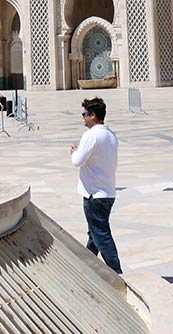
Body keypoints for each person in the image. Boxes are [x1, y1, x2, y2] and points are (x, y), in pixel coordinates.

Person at [69, 96, 122, 274]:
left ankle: (117, 273)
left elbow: (78, 161)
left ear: (93, 115)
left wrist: (74, 152)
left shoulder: (91, 135)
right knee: (95, 235)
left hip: (94, 195)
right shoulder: (110, 134)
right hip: (107, 192)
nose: (83, 117)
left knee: (101, 236)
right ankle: (83, 268)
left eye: (84, 114)